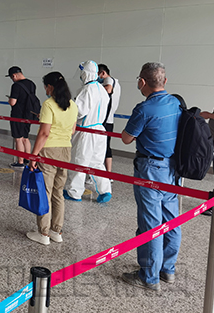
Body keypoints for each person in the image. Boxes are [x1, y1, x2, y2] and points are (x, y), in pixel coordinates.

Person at [121, 62, 181, 292]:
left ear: (142, 82)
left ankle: (149, 276)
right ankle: (168, 269)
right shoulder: (175, 102)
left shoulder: (144, 109)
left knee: (150, 224)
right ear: (164, 82)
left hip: (150, 169)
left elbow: (126, 138)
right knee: (171, 220)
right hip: (172, 169)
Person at [26, 72, 78, 246]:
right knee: (58, 193)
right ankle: (57, 231)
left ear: (50, 87)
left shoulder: (48, 104)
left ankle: (43, 233)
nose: (45, 90)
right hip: (65, 150)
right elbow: (72, 130)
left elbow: (44, 133)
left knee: (45, 192)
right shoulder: (72, 105)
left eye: (45, 87)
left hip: (49, 150)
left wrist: (33, 155)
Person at [64, 61, 112, 203]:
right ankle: (105, 191)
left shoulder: (86, 90)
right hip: (100, 130)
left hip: (86, 130)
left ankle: (74, 192)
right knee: (97, 163)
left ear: (85, 73)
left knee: (79, 161)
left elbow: (80, 112)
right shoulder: (102, 89)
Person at [7, 66, 37, 169]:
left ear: (14, 75)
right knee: (25, 138)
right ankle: (27, 159)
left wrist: (9, 100)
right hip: (29, 115)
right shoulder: (32, 84)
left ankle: (20, 162)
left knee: (18, 139)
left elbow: (13, 102)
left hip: (18, 115)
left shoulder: (16, 86)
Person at [98, 64, 122, 173]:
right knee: (107, 147)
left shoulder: (108, 80)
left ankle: (100, 174)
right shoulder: (117, 83)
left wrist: (94, 89)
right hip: (110, 120)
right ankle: (108, 173)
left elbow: (108, 89)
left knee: (99, 147)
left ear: (103, 73)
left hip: (104, 121)